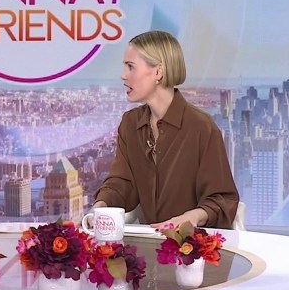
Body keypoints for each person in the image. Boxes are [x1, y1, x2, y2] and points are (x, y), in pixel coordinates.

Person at [93, 30, 239, 229]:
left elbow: (223, 198)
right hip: (148, 243)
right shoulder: (130, 124)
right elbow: (123, 183)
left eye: (130, 67)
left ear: (158, 72)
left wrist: (194, 217)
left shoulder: (201, 127)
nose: (123, 75)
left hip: (191, 243)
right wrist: (100, 207)